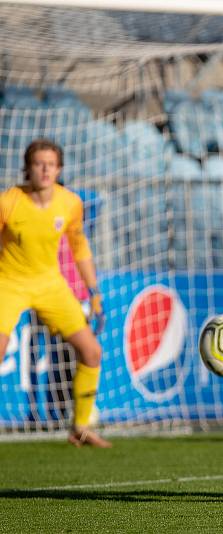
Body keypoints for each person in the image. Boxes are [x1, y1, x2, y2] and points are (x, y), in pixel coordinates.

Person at [0, 139, 110, 448]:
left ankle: (81, 428)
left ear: (59, 169)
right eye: (39, 164)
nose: (46, 169)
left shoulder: (70, 203)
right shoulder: (9, 201)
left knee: (91, 352)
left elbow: (79, 247)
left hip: (51, 284)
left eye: (51, 164)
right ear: (28, 168)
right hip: (10, 282)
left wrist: (94, 293)